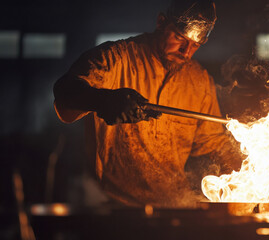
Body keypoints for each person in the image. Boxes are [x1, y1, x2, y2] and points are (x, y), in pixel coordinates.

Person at [53, 0, 241, 207]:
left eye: (195, 45)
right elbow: (64, 91)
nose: (186, 52)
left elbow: (214, 142)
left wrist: (254, 171)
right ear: (161, 23)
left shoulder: (199, 80)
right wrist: (103, 100)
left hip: (174, 207)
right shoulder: (116, 59)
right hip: (115, 208)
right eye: (180, 38)